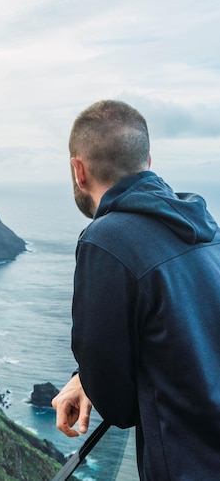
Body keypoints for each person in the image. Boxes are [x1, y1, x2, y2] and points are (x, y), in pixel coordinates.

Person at [52, 100, 220, 480]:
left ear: (78, 170)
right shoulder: (204, 225)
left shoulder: (106, 239)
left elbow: (119, 407)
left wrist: (93, 378)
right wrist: (85, 376)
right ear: (148, 160)